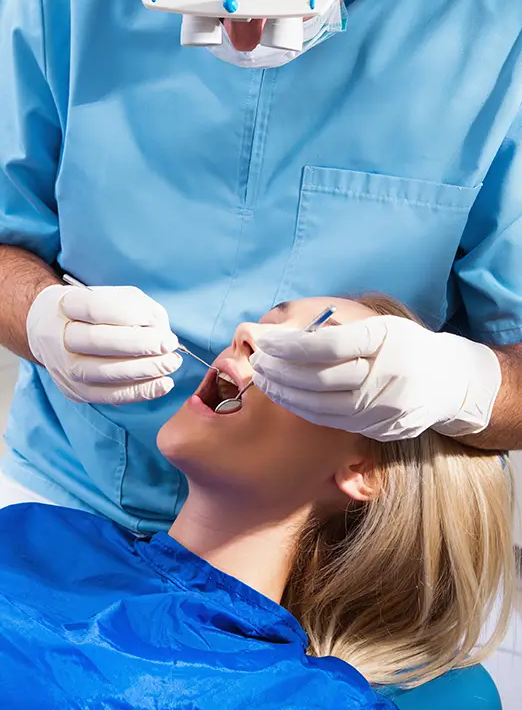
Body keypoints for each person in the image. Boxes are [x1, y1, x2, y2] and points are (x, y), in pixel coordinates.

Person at [1, 0, 522, 531]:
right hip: (73, 494)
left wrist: (462, 386)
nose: (242, 41)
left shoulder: (495, 18)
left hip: (338, 556)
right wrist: (39, 318)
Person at [0, 296, 514, 709]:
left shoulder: (310, 699)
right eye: (268, 321)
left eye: (314, 342)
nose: (246, 331)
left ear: (364, 471)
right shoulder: (37, 534)